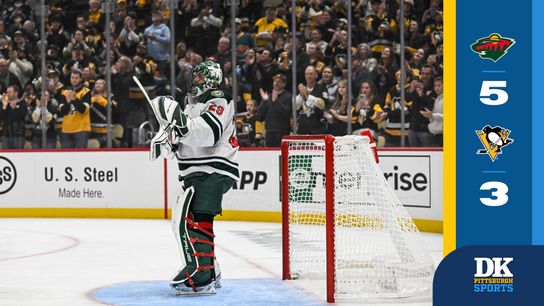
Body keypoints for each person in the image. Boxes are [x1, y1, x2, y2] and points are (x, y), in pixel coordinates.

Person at [147, 60, 239, 295]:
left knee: (198, 217)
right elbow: (181, 138)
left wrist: (180, 123)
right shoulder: (190, 107)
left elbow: (208, 133)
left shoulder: (218, 98)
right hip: (196, 171)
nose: (194, 82)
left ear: (210, 78)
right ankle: (211, 267)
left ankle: (202, 274)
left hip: (214, 168)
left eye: (199, 77)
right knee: (190, 219)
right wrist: (167, 139)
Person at [58, 69, 91, 149]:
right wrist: (68, 102)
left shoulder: (86, 92)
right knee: (67, 156)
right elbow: (63, 112)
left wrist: (74, 99)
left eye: (76, 78)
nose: (74, 80)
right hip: (67, 129)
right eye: (72, 77)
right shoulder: (65, 93)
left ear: (80, 79)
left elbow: (83, 110)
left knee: (81, 155)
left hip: (81, 129)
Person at [257, 73, 292, 147]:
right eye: (275, 81)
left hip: (283, 133)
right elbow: (259, 117)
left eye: (279, 82)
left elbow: (287, 113)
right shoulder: (268, 97)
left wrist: (276, 101)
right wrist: (264, 101)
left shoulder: (288, 97)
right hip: (269, 134)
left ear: (284, 84)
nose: (276, 83)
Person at [0, 85, 27, 149]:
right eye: (7, 92)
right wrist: (4, 106)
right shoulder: (5, 104)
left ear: (16, 93)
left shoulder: (22, 104)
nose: (7, 94)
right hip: (6, 135)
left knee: (18, 156)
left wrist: (14, 107)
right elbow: (1, 117)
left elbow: (20, 116)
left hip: (19, 135)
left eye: (10, 92)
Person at [421, 76, 443, 146]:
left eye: (439, 85)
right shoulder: (437, 99)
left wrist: (432, 115)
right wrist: (430, 116)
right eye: (435, 86)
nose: (436, 88)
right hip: (436, 134)